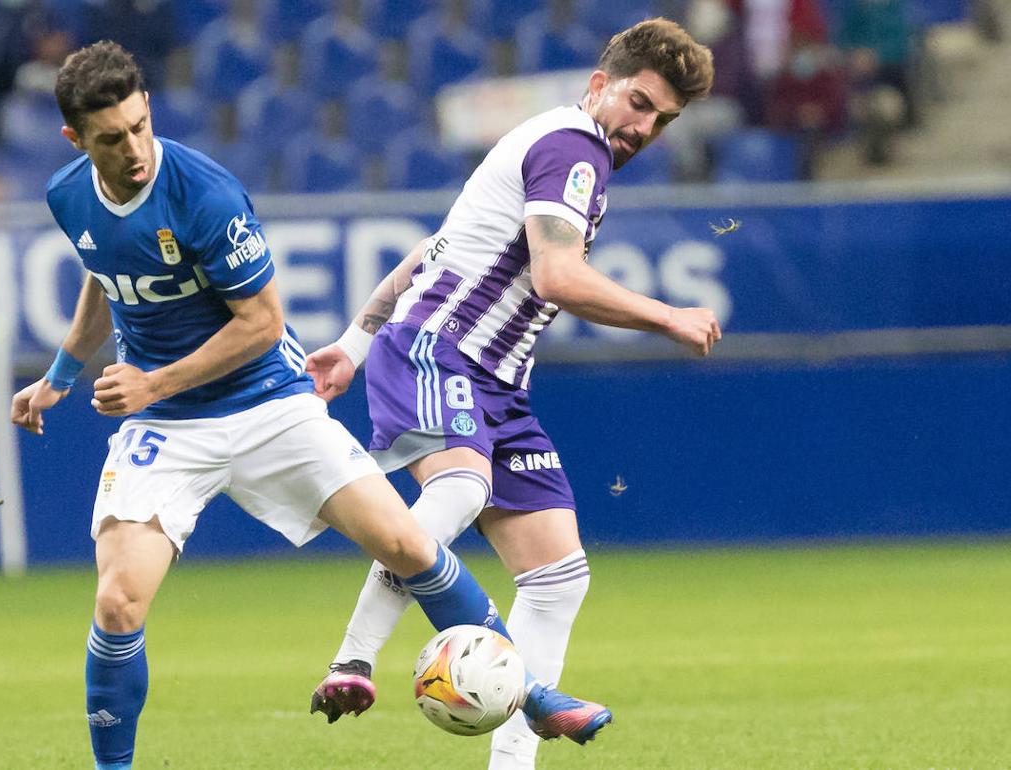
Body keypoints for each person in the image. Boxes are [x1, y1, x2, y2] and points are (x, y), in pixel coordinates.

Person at [9, 41, 611, 770]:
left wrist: (151, 382)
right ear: (75, 139)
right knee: (117, 602)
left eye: (140, 126)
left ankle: (535, 695)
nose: (134, 149)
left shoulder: (205, 193)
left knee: (407, 544)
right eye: (112, 139)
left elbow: (262, 324)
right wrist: (61, 375)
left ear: (149, 109)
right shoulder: (67, 195)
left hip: (268, 401)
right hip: (167, 426)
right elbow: (106, 271)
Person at [305, 18, 722, 770]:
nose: (645, 127)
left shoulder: (557, 146)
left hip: (498, 383)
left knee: (557, 577)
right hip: (440, 349)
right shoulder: (574, 148)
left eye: (663, 119)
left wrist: (353, 343)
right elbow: (558, 277)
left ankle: (512, 764)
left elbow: (432, 249)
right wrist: (668, 315)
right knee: (460, 489)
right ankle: (354, 658)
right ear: (599, 85)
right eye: (639, 103)